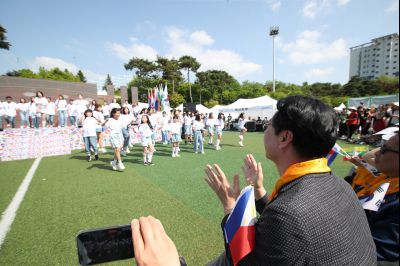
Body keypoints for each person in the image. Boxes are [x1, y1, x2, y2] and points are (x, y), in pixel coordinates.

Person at [204, 95, 376, 265]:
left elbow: (244, 261)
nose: (265, 130)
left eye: (269, 125)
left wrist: (230, 207)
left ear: (285, 138)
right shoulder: (342, 186)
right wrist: (258, 189)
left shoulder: (288, 213)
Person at [346, 133, 399, 264]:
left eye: (384, 149)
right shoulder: (385, 180)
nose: (376, 153)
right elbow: (366, 158)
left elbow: (377, 252)